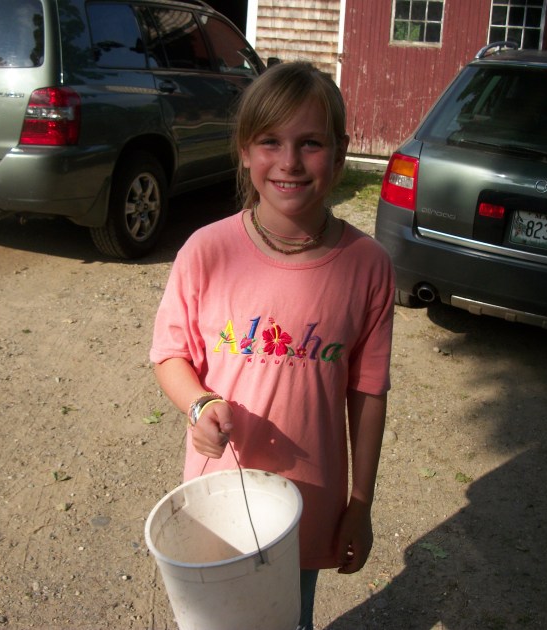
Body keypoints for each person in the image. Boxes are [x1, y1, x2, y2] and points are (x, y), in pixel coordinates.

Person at [150, 61, 395, 630]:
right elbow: (170, 353)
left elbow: (369, 391)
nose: (289, 162)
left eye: (310, 143)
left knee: (288, 618)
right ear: (243, 150)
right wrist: (200, 404)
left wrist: (360, 503)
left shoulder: (368, 267)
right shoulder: (206, 252)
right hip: (219, 500)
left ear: (339, 153)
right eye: (270, 142)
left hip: (306, 502)